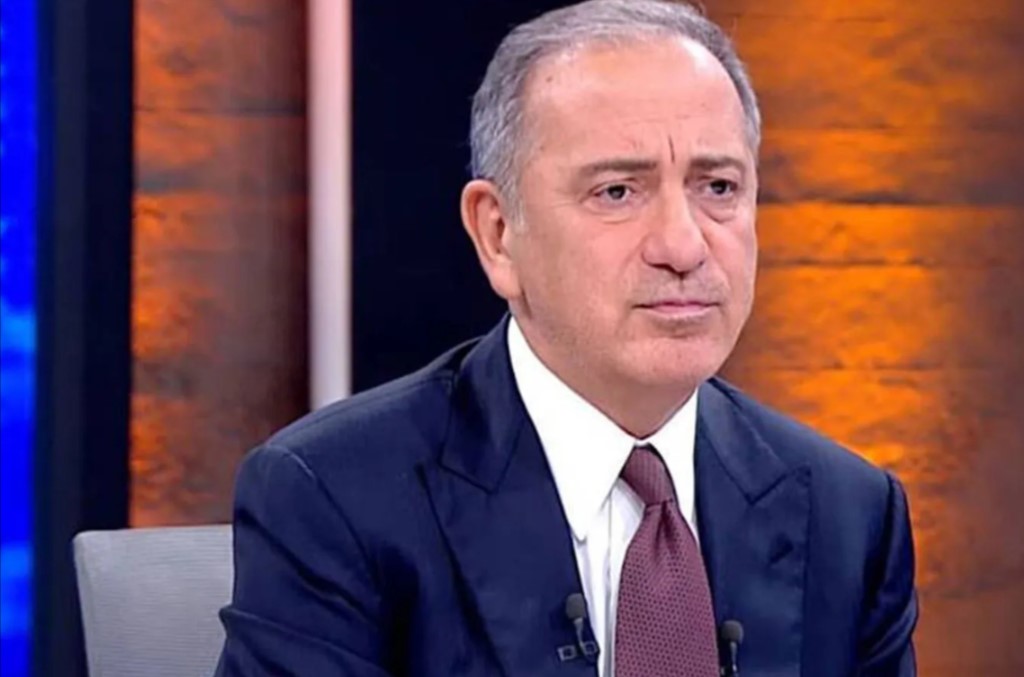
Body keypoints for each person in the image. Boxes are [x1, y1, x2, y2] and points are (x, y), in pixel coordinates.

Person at [214, 0, 919, 675]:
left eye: (718, 187)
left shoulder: (850, 516)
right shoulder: (337, 498)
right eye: (617, 192)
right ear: (498, 234)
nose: (684, 246)